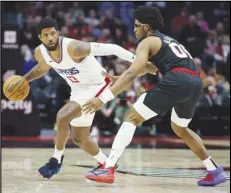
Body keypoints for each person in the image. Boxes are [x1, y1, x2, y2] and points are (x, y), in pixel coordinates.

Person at [82, 6, 228, 186]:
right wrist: (119, 78)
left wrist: (102, 99)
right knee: (180, 128)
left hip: (177, 80)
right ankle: (213, 169)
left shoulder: (147, 42)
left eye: (136, 26)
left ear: (146, 26)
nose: (134, 30)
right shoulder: (168, 41)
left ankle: (108, 167)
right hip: (195, 82)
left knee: (132, 117)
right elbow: (146, 69)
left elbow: (132, 74)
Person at [22, 17, 156, 179]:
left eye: (52, 33)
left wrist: (141, 62)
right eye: (46, 35)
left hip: (98, 85)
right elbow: (43, 67)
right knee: (80, 138)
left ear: (58, 33)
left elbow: (114, 48)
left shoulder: (74, 48)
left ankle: (56, 160)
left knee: (62, 117)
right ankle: (106, 163)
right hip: (78, 90)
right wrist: (25, 79)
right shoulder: (40, 52)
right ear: (40, 38)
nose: (50, 37)